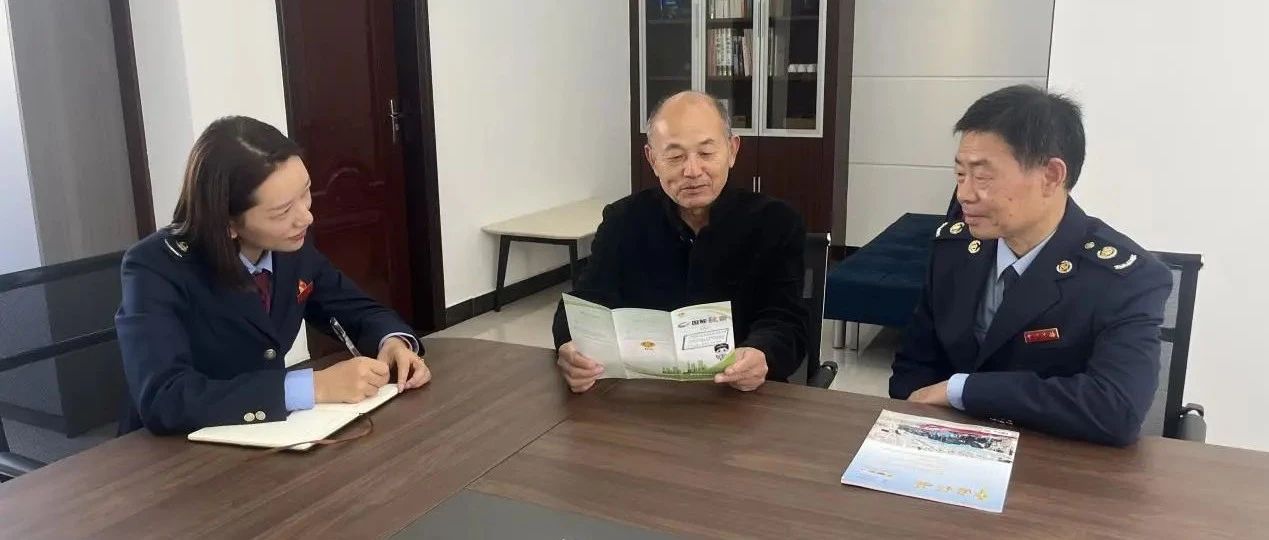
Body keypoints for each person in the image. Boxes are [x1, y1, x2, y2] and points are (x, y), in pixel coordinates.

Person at [890, 85, 1172, 446]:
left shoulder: (1125, 278)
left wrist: (963, 390)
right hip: (946, 450)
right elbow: (912, 369)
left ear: (1051, 176)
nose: (964, 194)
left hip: (1056, 463)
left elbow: (1117, 408)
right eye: (960, 175)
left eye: (983, 176)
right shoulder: (954, 251)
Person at [115, 116, 430, 435]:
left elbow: (359, 310)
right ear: (228, 223)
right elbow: (165, 398)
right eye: (282, 211)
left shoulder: (290, 246)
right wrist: (315, 387)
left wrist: (393, 343)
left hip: (267, 437)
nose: (306, 217)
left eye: (305, 193)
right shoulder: (156, 266)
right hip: (172, 451)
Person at [552, 91, 808, 393]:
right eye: (675, 157)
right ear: (652, 159)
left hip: (738, 395)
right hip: (644, 395)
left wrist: (761, 353)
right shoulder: (623, 220)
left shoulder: (775, 222)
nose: (692, 171)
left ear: (732, 150)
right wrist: (570, 348)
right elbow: (583, 303)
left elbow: (785, 319)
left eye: (706, 153)